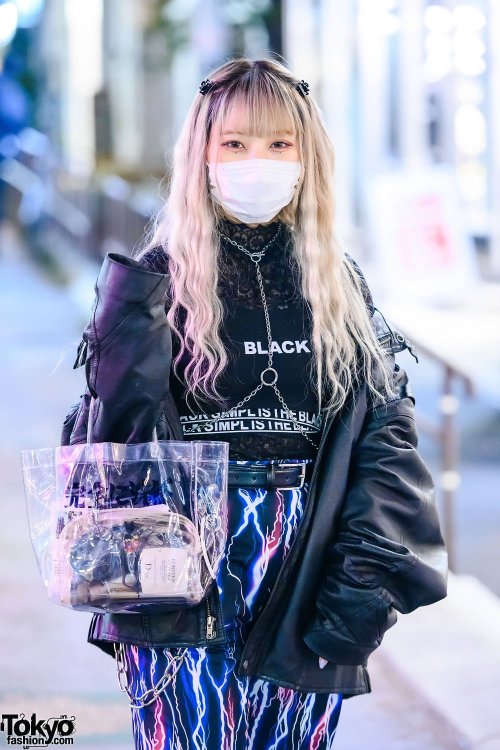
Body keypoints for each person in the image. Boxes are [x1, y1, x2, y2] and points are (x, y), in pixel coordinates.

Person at [62, 57, 448, 749]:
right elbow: (114, 448)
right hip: (183, 556)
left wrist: (358, 591)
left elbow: (385, 439)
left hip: (305, 556)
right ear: (202, 153)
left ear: (307, 157)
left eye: (278, 144)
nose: (255, 160)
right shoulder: (153, 284)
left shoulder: (339, 284)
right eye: (234, 143)